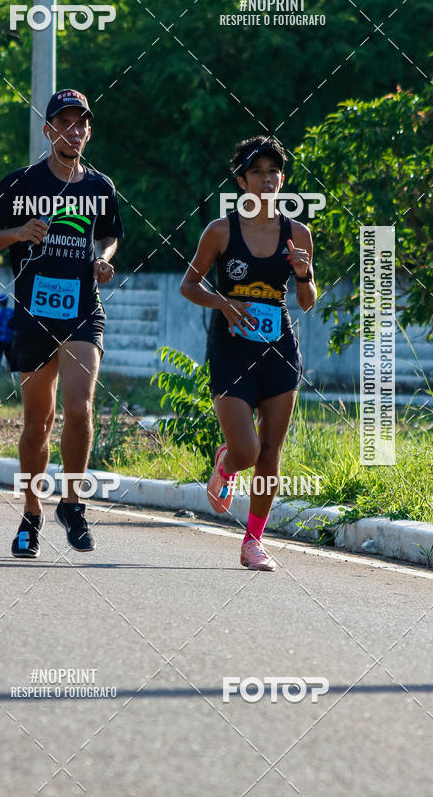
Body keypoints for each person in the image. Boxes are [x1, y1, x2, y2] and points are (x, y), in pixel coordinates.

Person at [0, 88, 123, 558]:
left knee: (80, 407)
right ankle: (31, 513)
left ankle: (73, 505)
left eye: (81, 124)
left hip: (83, 311)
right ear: (48, 130)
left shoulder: (100, 187)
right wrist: (18, 232)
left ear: (89, 132)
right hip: (34, 316)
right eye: (64, 123)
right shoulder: (21, 183)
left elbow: (110, 235)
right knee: (38, 422)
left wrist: (103, 258)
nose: (73, 131)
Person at [180, 135, 317, 571]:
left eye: (273, 171)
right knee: (247, 450)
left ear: (283, 179)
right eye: (256, 172)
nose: (266, 179)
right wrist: (223, 302)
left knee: (270, 451)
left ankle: (253, 541)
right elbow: (189, 285)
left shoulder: (298, 234)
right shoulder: (221, 231)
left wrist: (303, 273)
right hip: (232, 349)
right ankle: (226, 462)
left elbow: (307, 301)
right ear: (242, 181)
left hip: (279, 349)